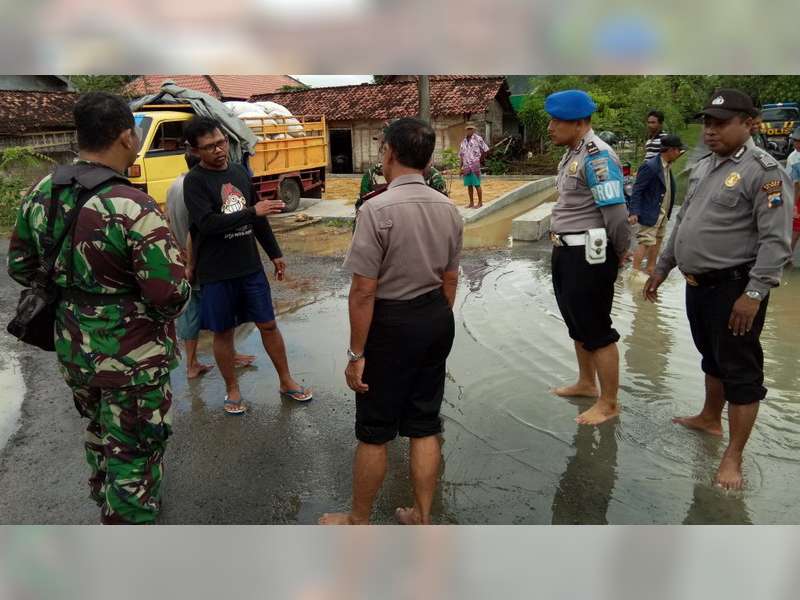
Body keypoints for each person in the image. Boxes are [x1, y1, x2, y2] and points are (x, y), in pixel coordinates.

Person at [8, 92, 190, 524]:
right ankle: (126, 524)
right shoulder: (131, 204)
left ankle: (104, 499)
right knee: (136, 444)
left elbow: (19, 265)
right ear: (127, 136)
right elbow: (170, 294)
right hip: (132, 358)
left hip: (74, 346)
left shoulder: (43, 192)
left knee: (98, 430)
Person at [644, 89, 793, 490]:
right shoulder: (706, 164)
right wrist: (662, 267)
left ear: (749, 123)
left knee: (740, 372)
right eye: (707, 122)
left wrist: (755, 294)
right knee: (712, 357)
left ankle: (733, 455)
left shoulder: (764, 172)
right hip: (699, 286)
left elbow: (776, 242)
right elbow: (684, 221)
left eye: (720, 122)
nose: (710, 130)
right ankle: (710, 418)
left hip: (735, 290)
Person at [319, 118, 463, 525]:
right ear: (429, 158)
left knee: (375, 428)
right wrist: (433, 320)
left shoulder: (375, 208)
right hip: (435, 316)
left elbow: (364, 291)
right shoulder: (449, 209)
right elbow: (450, 278)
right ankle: (421, 514)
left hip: (390, 324)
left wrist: (356, 353)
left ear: (390, 154)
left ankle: (358, 520)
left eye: (383, 149)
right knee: (424, 423)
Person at [183, 116, 312, 415]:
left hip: (249, 267)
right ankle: (232, 389)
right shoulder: (195, 181)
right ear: (194, 151)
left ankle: (286, 380)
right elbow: (206, 224)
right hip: (216, 271)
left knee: (268, 323)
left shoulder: (240, 172)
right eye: (210, 147)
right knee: (223, 332)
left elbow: (258, 218)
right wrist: (253, 210)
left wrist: (274, 253)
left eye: (221, 142)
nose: (219, 150)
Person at [545, 89, 632, 426]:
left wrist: (621, 251)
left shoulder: (598, 157)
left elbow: (615, 213)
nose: (551, 127)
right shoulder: (573, 153)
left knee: (597, 329)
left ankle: (609, 402)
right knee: (577, 323)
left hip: (588, 255)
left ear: (579, 123)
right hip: (567, 251)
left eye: (557, 121)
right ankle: (585, 382)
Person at [165, 153, 257, 378]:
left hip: (183, 256)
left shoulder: (173, 186)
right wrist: (192, 263)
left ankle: (191, 363)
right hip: (202, 260)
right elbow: (194, 230)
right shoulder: (197, 187)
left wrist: (179, 255)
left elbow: (167, 219)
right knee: (223, 310)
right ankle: (229, 355)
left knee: (190, 311)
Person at [628, 134, 686, 274]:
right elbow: (637, 190)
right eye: (678, 150)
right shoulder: (650, 166)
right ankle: (634, 273)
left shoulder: (667, 166)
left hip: (663, 213)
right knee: (645, 242)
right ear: (671, 150)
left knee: (657, 241)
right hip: (651, 211)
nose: (679, 154)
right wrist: (634, 211)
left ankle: (651, 269)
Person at [458, 121, 489, 208]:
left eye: (471, 129)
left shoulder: (478, 139)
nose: (469, 130)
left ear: (474, 130)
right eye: (468, 129)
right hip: (466, 166)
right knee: (469, 185)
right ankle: (471, 202)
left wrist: (480, 159)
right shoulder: (463, 142)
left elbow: (485, 149)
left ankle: (480, 202)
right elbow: (461, 155)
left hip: (475, 164)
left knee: (477, 184)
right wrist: (460, 168)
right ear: (466, 130)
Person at [785, 127, 800, 257]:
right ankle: (787, 256)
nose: (796, 143)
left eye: (798, 141)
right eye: (794, 140)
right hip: (797, 196)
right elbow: (792, 183)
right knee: (795, 229)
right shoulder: (793, 158)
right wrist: (794, 204)